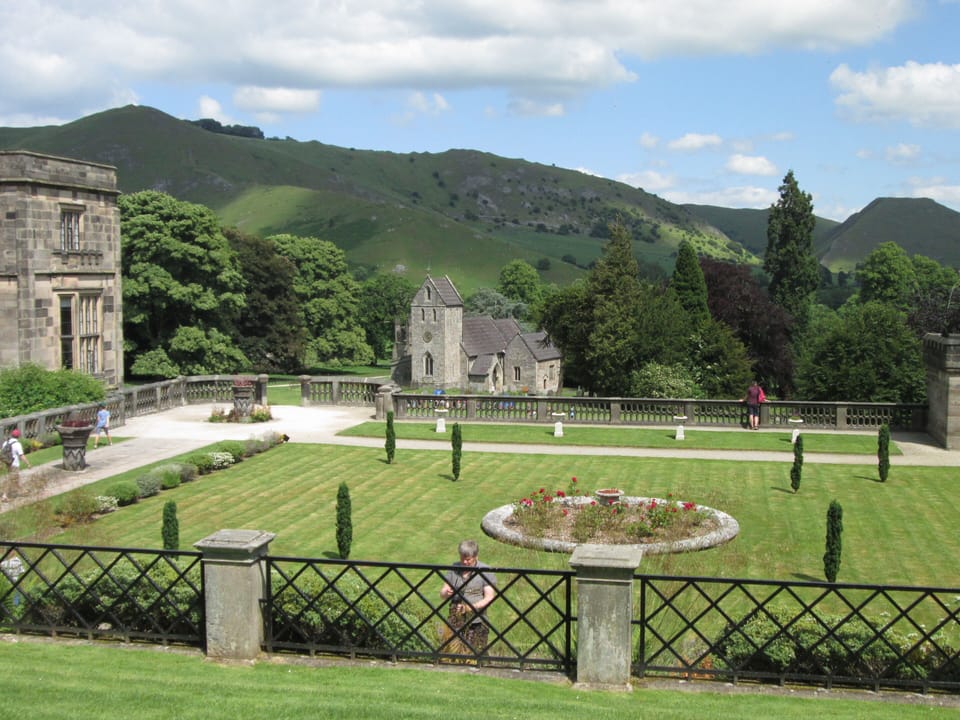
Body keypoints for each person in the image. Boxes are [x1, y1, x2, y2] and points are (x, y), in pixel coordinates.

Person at [439, 539, 497, 657]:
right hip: (455, 619)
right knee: (451, 653)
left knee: (475, 655)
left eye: (468, 559)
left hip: (477, 621)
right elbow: (442, 594)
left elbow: (489, 598)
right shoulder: (454, 568)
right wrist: (447, 592)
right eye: (462, 558)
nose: (464, 562)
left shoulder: (485, 570)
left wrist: (470, 608)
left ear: (476, 556)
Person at [1, 429, 31, 503]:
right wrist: (28, 463)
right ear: (18, 436)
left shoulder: (6, 442)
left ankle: (24, 491)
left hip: (8, 463)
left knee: (15, 479)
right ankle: (4, 496)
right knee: (11, 480)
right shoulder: (17, 444)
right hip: (14, 464)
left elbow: (2, 453)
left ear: (12, 435)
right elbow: (21, 456)